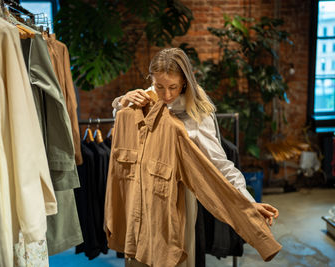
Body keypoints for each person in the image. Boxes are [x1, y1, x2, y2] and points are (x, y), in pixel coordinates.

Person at [111, 48, 279, 267]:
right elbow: (122, 123)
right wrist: (122, 100)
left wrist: (246, 201)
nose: (167, 94)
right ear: (151, 80)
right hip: (141, 193)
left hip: (177, 198)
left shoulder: (196, 114)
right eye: (159, 86)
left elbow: (220, 164)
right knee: (138, 255)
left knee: (174, 254)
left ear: (184, 82)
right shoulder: (144, 100)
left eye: (173, 87)